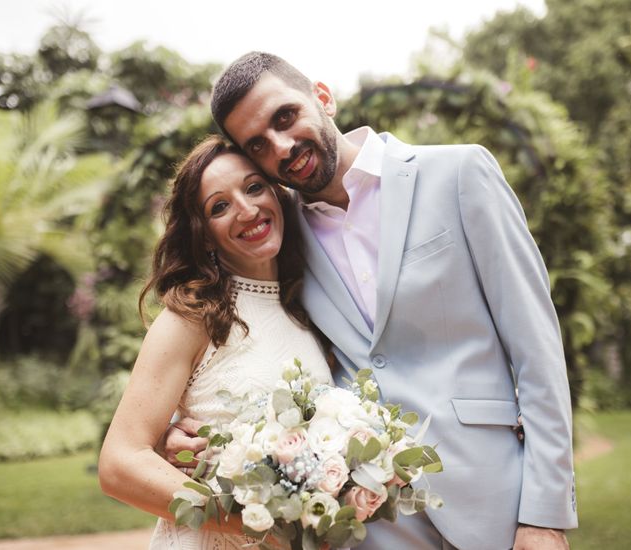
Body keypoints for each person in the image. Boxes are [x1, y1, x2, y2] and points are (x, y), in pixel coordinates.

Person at [166, 51, 578, 550]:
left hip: (494, 496)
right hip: (371, 525)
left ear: (323, 97)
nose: (281, 146)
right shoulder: (279, 233)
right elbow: (246, 323)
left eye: (285, 117)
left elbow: (538, 353)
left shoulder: (460, 173)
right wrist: (181, 428)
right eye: (259, 144)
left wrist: (544, 516)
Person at [98, 135, 333, 549]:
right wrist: (255, 521)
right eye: (219, 206)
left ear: (277, 194)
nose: (246, 210)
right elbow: (120, 464)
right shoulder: (191, 318)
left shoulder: (307, 306)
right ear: (204, 234)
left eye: (254, 187)